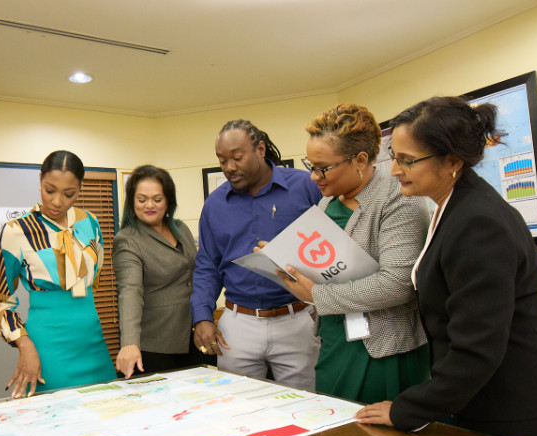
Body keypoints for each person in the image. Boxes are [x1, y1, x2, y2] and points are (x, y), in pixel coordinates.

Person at [355, 96, 537, 436]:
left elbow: (477, 347)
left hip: (521, 409)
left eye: (407, 160)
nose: (395, 171)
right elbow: (502, 303)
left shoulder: (476, 222)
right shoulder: (457, 207)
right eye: (393, 158)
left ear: (452, 160)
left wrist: (406, 409)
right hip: (499, 399)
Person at [271, 104, 430, 404]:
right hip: (335, 342)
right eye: (311, 165)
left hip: (384, 349)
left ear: (360, 160)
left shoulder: (398, 200)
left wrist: (317, 294)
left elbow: (398, 285)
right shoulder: (325, 205)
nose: (313, 177)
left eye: (323, 167)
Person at [191, 120, 323, 389]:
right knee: (238, 409)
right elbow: (207, 266)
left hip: (297, 319)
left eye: (237, 158)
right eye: (222, 160)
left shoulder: (306, 186)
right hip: (238, 326)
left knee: (308, 405)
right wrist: (202, 318)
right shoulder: (215, 205)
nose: (229, 167)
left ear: (260, 149)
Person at [0, 150, 115, 398]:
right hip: (48, 347)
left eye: (69, 194)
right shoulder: (16, 231)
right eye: (50, 190)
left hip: (92, 342)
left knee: (107, 413)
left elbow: (88, 283)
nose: (57, 201)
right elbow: (0, 304)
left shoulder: (89, 221)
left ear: (79, 189)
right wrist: (24, 345)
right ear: (39, 181)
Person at [113, 165, 214, 378]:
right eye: (142, 199)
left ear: (168, 201)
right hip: (155, 345)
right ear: (132, 202)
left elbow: (196, 274)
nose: (149, 205)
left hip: (191, 336)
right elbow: (130, 291)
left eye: (157, 199)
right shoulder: (128, 239)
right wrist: (129, 342)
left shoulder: (180, 228)